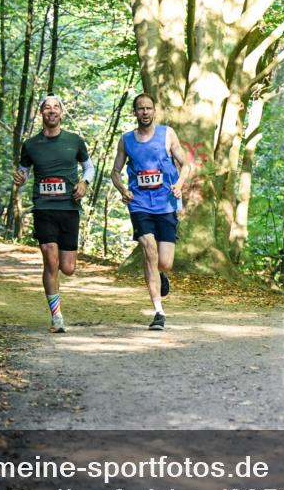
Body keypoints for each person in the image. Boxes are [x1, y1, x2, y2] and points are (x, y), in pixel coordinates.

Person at [13, 94, 95, 333]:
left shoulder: (74, 141)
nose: (51, 111)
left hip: (69, 208)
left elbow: (89, 167)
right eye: (47, 107)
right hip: (44, 207)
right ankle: (56, 316)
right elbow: (23, 172)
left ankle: (56, 282)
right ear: (41, 113)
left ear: (61, 112)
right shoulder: (31, 145)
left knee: (67, 268)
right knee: (50, 260)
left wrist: (84, 183)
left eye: (56, 107)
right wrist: (20, 179)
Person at [110, 92, 193, 330]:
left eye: (148, 108)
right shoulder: (126, 140)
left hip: (165, 203)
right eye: (140, 108)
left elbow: (186, 164)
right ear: (135, 112)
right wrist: (123, 190)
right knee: (149, 250)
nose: (145, 112)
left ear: (154, 111)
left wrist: (179, 184)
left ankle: (161, 274)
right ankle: (158, 311)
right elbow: (115, 172)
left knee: (164, 262)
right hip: (140, 205)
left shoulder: (167, 134)